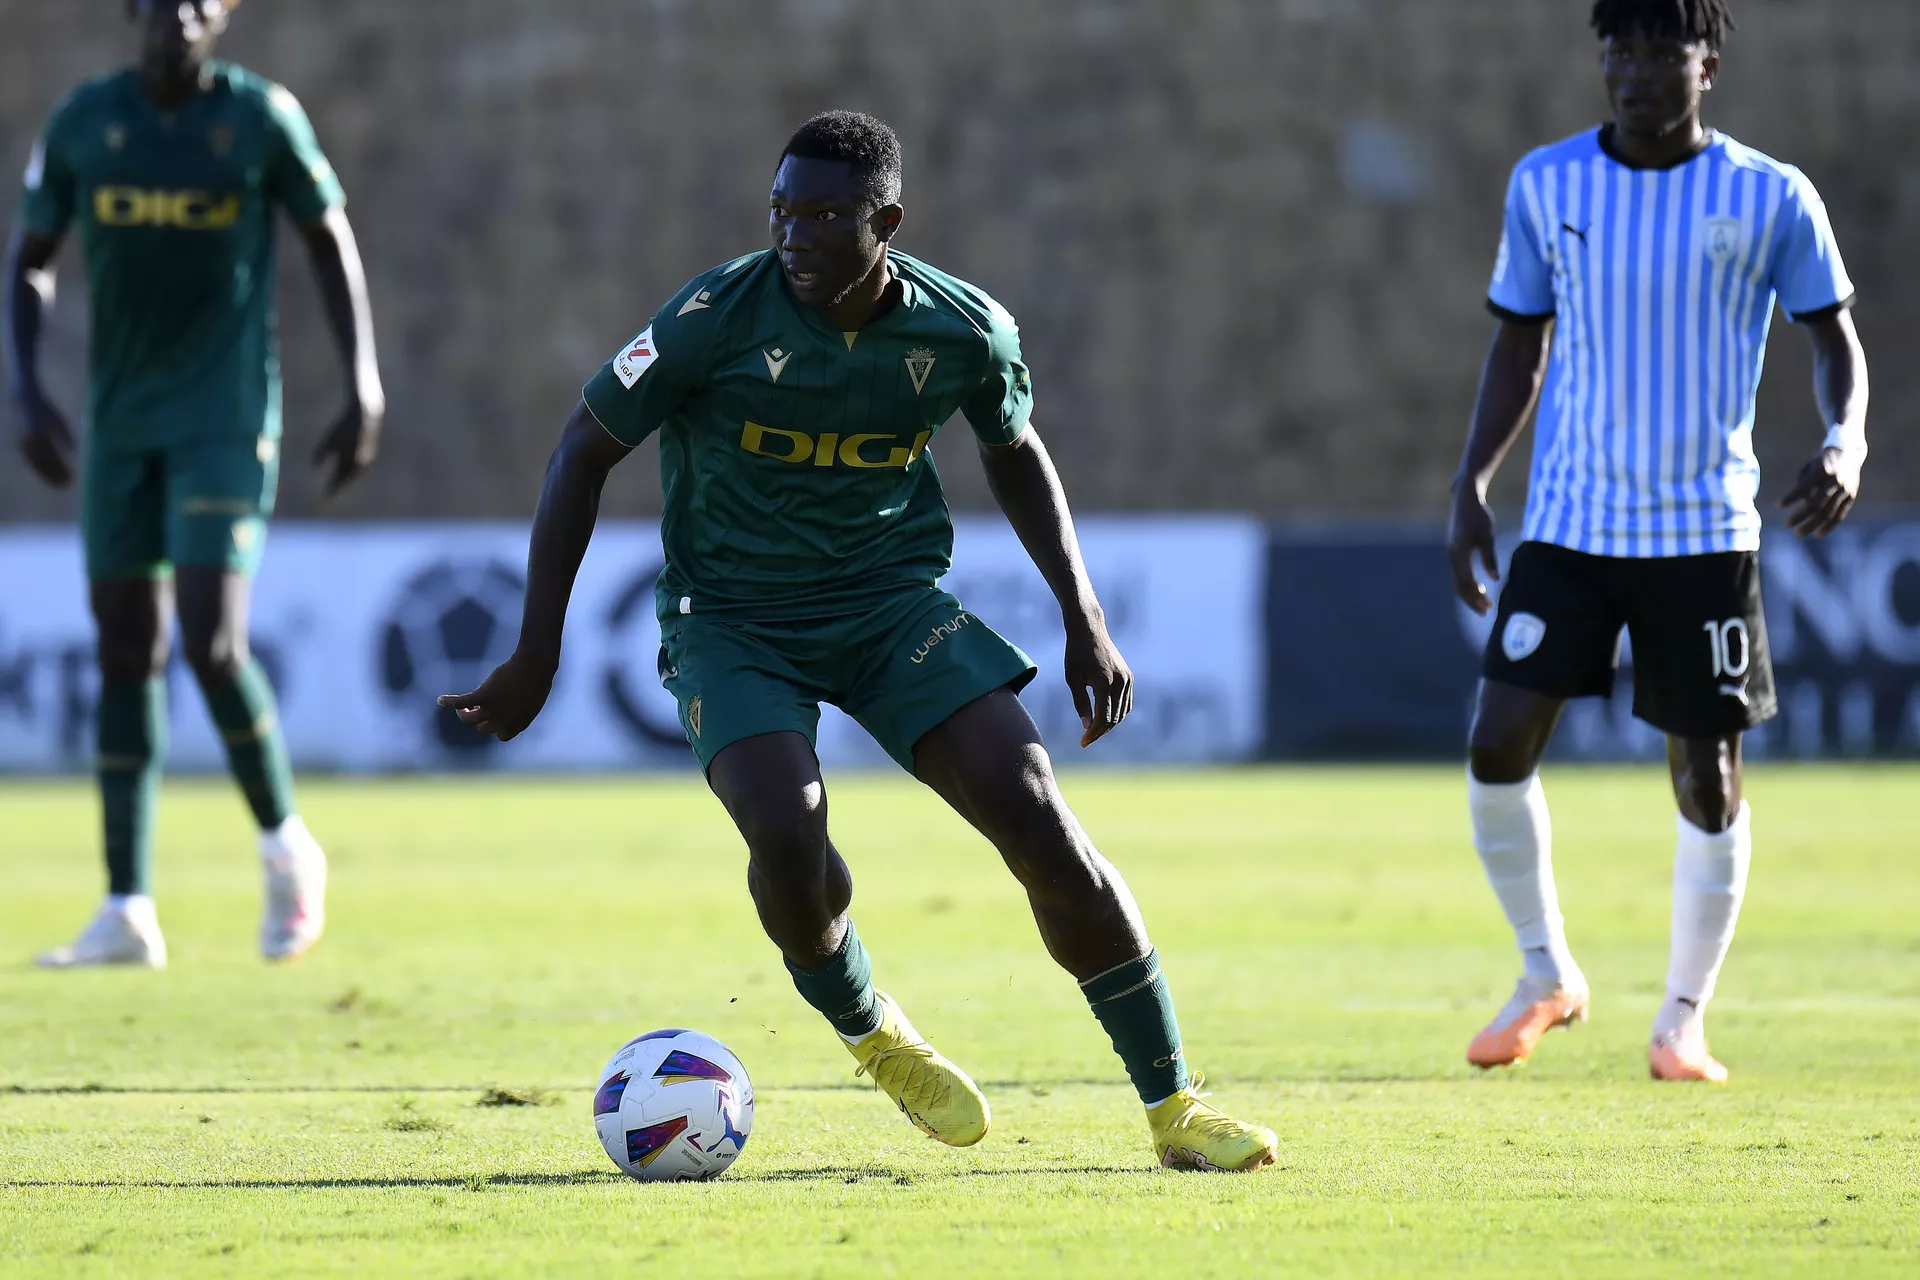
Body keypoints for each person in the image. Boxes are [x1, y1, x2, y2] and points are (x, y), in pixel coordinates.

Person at [440, 111, 1276, 1171]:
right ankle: (875, 1031)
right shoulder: (710, 317)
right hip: (733, 620)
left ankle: (1175, 1107)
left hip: (889, 607)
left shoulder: (964, 330)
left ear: (887, 222)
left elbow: (1015, 449)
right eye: (782, 212)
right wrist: (537, 653)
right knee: (789, 835)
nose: (796, 236)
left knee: (1040, 817)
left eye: (827, 217)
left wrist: (1086, 617)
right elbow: (581, 450)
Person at [1446, 0, 1868, 1081]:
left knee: (1708, 779)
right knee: (1496, 745)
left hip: (1703, 531)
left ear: (1706, 64)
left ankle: (1682, 1019)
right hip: (1572, 524)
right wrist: (1472, 483)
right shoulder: (1547, 183)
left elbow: (1834, 339)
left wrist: (1845, 441)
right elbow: (1519, 346)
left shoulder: (1772, 195)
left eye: (1661, 51)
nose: (1636, 71)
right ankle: (1546, 972)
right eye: (1618, 51)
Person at [6, 0, 384, 967]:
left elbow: (328, 240)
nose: (177, 15)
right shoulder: (85, 121)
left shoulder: (259, 118)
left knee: (212, 641)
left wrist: (362, 384)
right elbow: (32, 260)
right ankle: (126, 907)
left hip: (224, 415)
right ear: (130, 10)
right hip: (122, 422)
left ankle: (286, 846)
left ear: (224, 14)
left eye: (199, 2)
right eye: (161, 0)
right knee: (125, 647)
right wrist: (29, 391)